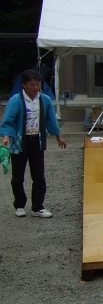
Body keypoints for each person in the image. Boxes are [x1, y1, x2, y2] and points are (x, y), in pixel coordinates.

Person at [1, 69, 67, 218]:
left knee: (38, 175)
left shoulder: (44, 100)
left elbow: (51, 119)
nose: (35, 87)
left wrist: (58, 136)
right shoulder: (16, 100)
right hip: (19, 141)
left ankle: (38, 207)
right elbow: (9, 121)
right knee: (17, 176)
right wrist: (6, 136)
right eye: (32, 85)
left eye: (37, 84)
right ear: (24, 85)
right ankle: (19, 205)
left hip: (36, 140)